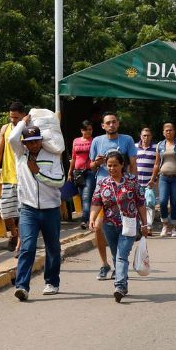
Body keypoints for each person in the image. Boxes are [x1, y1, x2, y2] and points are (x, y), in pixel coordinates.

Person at [8, 120, 66, 301]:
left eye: (36, 141)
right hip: (28, 209)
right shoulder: (20, 154)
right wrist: (23, 121)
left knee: (53, 247)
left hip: (50, 209)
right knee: (27, 246)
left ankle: (51, 282)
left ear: (41, 140)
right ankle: (22, 286)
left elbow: (60, 181)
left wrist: (38, 172)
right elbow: (11, 139)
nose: (33, 144)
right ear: (24, 143)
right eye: (29, 141)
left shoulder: (53, 156)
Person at [90, 150, 150, 302]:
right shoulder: (102, 183)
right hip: (109, 225)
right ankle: (123, 282)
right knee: (116, 255)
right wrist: (92, 218)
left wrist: (144, 224)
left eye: (115, 165)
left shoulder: (132, 181)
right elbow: (96, 203)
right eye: (109, 166)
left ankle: (120, 286)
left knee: (122, 255)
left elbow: (141, 203)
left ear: (122, 165)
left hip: (129, 224)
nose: (112, 168)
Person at [89, 112, 138, 282]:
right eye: (108, 123)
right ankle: (104, 264)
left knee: (122, 229)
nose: (111, 125)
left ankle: (120, 266)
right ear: (103, 125)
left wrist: (134, 185)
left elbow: (133, 164)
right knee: (98, 227)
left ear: (118, 123)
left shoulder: (127, 140)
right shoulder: (97, 141)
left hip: (123, 191)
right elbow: (91, 166)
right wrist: (97, 162)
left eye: (114, 122)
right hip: (102, 191)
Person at [0, 101, 28, 252]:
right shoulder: (5, 129)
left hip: (24, 177)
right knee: (4, 209)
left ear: (23, 115)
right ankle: (14, 232)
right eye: (11, 117)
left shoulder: (28, 130)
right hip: (7, 176)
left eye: (16, 117)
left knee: (23, 211)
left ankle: (20, 241)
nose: (13, 120)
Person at [155, 123, 176, 238]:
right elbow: (156, 163)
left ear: (174, 131)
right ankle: (165, 225)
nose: (168, 132)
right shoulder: (160, 145)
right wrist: (153, 178)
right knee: (163, 201)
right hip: (163, 177)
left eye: (170, 130)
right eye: (166, 130)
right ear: (163, 132)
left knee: (174, 203)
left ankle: (173, 227)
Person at [71, 119, 94, 230]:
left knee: (86, 197)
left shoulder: (94, 141)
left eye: (90, 129)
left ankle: (84, 220)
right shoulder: (76, 141)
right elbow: (74, 158)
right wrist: (70, 172)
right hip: (77, 172)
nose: (89, 132)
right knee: (82, 197)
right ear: (82, 130)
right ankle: (89, 218)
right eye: (87, 130)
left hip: (89, 172)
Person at [135, 126, 158, 226]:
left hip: (150, 182)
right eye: (144, 135)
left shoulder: (156, 147)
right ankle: (141, 225)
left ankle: (148, 226)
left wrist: (153, 179)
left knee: (149, 204)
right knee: (137, 204)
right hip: (136, 182)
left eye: (148, 136)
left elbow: (157, 164)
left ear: (151, 136)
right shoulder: (134, 147)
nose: (146, 138)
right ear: (140, 136)